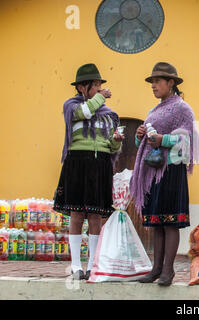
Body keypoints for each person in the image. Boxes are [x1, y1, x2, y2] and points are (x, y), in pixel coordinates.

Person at [53, 63, 124, 280]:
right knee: (76, 213)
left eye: (101, 85)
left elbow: (112, 148)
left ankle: (93, 265)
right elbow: (85, 111)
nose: (100, 89)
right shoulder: (71, 106)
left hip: (100, 164)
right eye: (96, 85)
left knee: (95, 215)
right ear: (83, 88)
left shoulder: (110, 114)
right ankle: (76, 266)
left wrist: (116, 141)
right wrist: (100, 97)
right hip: (77, 163)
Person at [130, 62, 198, 286]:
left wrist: (163, 139)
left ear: (171, 83)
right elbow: (145, 142)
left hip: (171, 170)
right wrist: (140, 135)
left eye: (158, 81)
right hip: (154, 171)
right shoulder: (153, 111)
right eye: (152, 82)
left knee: (170, 222)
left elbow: (187, 142)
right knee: (156, 222)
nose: (153, 85)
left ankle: (168, 271)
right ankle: (155, 269)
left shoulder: (182, 109)